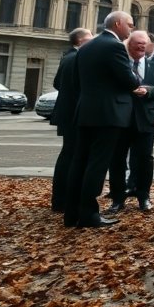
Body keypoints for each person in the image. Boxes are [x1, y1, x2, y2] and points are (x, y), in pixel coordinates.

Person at [65, 11, 144, 228]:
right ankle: (89, 214)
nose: (131, 28)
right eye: (129, 24)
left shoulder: (86, 47)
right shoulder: (115, 46)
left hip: (86, 112)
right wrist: (136, 79)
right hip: (108, 115)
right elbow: (129, 80)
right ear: (118, 24)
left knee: (79, 162)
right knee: (97, 165)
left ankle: (71, 213)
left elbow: (76, 82)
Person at [109, 30, 154, 213]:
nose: (141, 47)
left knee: (145, 159)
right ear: (128, 45)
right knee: (118, 160)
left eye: (143, 44)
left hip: (147, 120)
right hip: (121, 119)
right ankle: (117, 199)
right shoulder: (120, 64)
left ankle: (144, 196)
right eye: (137, 44)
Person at [49, 27, 92, 213]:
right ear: (81, 42)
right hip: (75, 114)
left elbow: (57, 83)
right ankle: (66, 201)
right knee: (73, 156)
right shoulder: (78, 58)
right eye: (90, 39)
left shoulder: (67, 57)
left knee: (67, 154)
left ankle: (60, 200)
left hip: (66, 113)